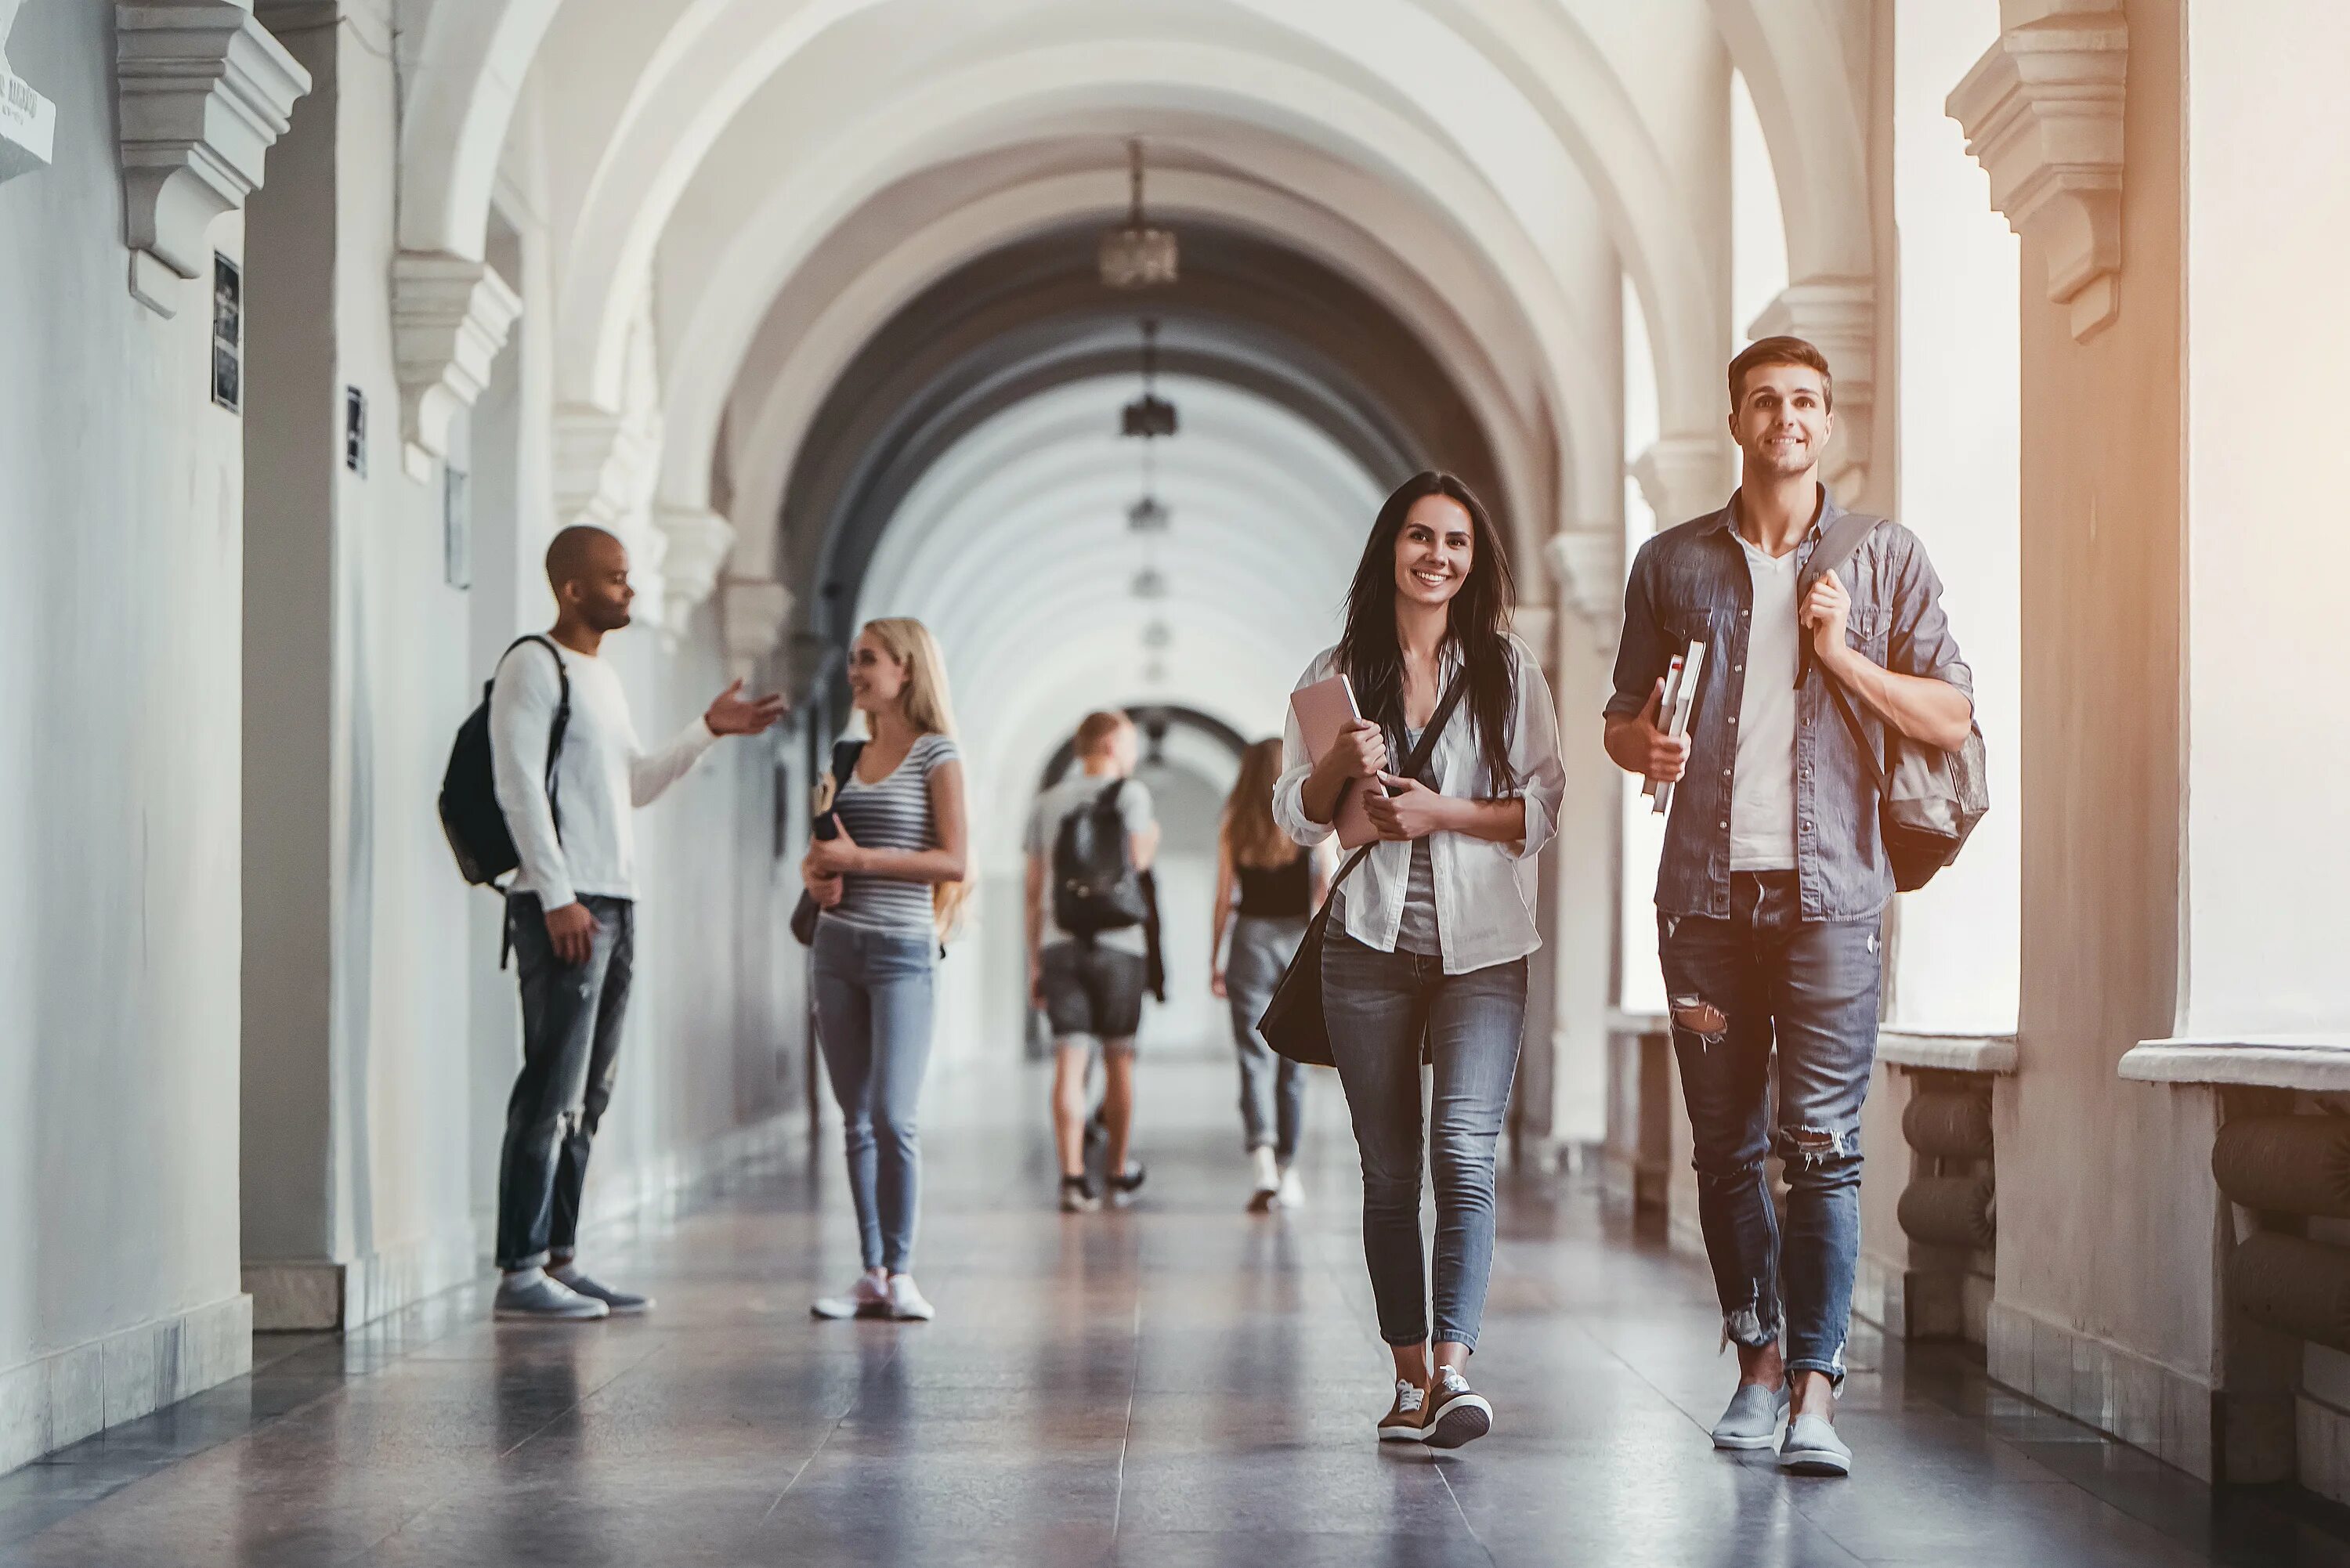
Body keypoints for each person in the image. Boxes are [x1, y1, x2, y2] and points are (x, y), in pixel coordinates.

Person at [1603, 336, 1974, 1477]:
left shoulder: (1885, 559)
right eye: (1767, 400)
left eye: (1807, 400)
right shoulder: (1672, 564)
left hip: (1832, 905)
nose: (1788, 417)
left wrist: (1842, 653)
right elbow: (1619, 717)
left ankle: (1816, 1390)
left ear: (1828, 422)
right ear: (1738, 420)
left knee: (1823, 1149)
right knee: (1724, 1147)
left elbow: (1951, 717)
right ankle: (1756, 1365)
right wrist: (1642, 742)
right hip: (1704, 908)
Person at [1273, 471, 1565, 1451]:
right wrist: (1337, 764)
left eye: (1456, 542)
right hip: (1368, 947)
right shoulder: (1334, 670)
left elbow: (1542, 809)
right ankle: (1406, 1378)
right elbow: (1295, 818)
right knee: (1391, 1173)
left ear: (1474, 562)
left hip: (1484, 949)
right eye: (1418, 537)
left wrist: (1441, 811)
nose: (1436, 556)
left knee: (1463, 1155)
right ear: (1389, 549)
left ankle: (1453, 1370)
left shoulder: (1509, 671)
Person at [489, 525, 784, 1321]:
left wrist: (707, 730)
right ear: (572, 588)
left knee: (592, 1092)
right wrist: (555, 895)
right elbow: (517, 787)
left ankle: (561, 1256)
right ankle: (519, 1269)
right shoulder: (534, 665)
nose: (631, 590)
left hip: (615, 899)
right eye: (617, 579)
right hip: (566, 902)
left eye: (630, 577)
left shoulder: (603, 681)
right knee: (549, 1086)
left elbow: (636, 785)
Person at [801, 618, 970, 1324]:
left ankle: (902, 1272)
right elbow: (818, 857)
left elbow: (956, 862)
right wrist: (819, 879)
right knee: (855, 1121)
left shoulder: (938, 755)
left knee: (893, 1117)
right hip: (835, 950)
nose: (855, 671)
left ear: (906, 669)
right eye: (851, 658)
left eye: (868, 659)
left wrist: (860, 863)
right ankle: (869, 1272)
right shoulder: (842, 754)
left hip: (903, 951)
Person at [1026, 711, 1159, 1213]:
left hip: (1060, 943)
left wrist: (1034, 961)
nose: (1133, 755)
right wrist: (1154, 835)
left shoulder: (1046, 802)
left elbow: (1033, 887)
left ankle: (1072, 1179)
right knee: (1119, 1061)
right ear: (1108, 745)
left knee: (1069, 1062)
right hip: (1120, 945)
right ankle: (1118, 1171)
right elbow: (1139, 861)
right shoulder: (1131, 795)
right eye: (1128, 744)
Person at [1209, 738, 1327, 1212]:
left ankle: (1262, 1163)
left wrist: (1213, 959)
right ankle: (1290, 1169)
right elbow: (1326, 890)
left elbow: (1223, 900)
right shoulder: (1309, 822)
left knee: (1252, 1057)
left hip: (1249, 944)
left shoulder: (1234, 824)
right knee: (1292, 1062)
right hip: (1298, 943)